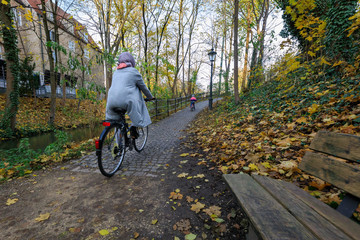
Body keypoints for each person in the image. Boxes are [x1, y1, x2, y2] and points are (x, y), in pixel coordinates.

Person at [105, 52, 154, 138]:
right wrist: (150, 97)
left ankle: (118, 147)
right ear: (131, 61)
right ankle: (134, 127)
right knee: (136, 114)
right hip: (126, 102)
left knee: (115, 122)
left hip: (111, 101)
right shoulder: (133, 71)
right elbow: (143, 87)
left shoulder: (116, 73)